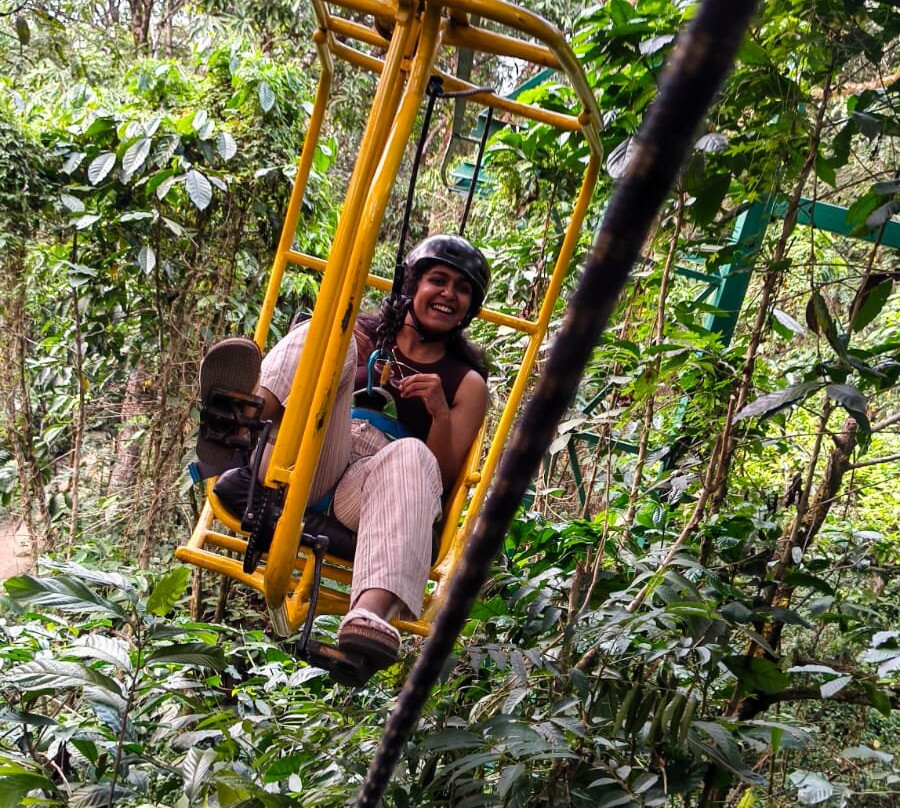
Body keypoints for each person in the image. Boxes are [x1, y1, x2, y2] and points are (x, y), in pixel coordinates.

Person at [198, 234, 490, 678]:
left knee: (411, 452)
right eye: (438, 280)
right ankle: (241, 421)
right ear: (412, 285)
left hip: (370, 488)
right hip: (309, 456)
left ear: (471, 306)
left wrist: (439, 414)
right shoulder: (365, 332)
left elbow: (441, 480)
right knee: (328, 329)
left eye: (462, 288)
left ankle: (369, 619)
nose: (449, 294)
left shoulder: (464, 382)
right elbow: (330, 355)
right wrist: (346, 345)